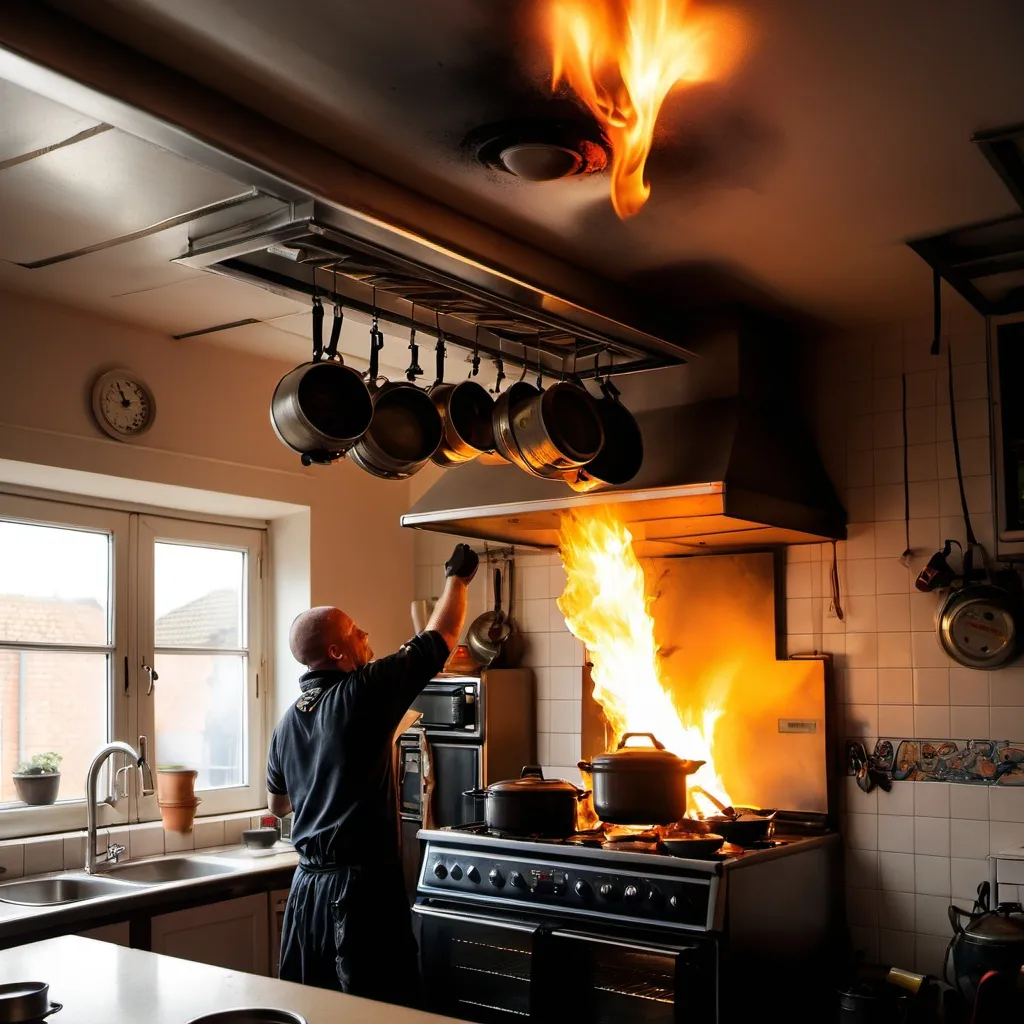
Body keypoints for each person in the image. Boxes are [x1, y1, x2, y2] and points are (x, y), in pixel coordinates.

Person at [266, 543, 478, 1004]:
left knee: (314, 1008)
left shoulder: (286, 722)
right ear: (338, 650)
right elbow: (439, 638)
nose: (366, 634)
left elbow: (278, 806)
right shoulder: (361, 694)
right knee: (376, 1010)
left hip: (308, 891)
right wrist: (457, 579)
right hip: (358, 895)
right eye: (356, 631)